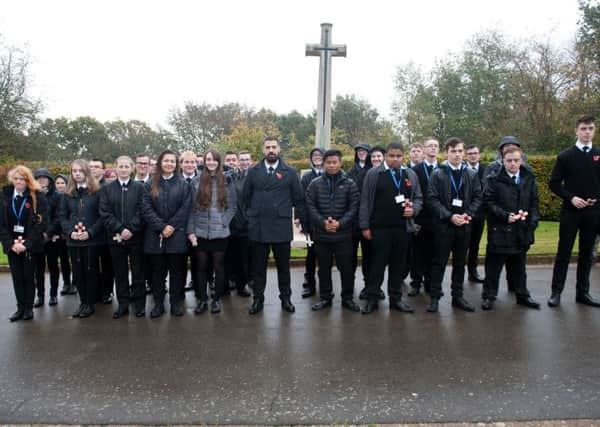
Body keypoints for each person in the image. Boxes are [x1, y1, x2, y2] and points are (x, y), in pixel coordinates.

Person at [242, 136, 307, 315]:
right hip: (259, 226)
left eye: (274, 147)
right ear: (263, 150)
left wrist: (300, 218)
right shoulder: (254, 171)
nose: (271, 150)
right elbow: (245, 198)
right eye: (268, 147)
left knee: (283, 267)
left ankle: (285, 298)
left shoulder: (290, 172)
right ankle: (258, 299)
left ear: (279, 150)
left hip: (280, 225)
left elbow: (299, 198)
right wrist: (252, 215)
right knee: (258, 268)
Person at [359, 142, 423, 314]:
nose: (395, 159)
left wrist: (414, 209)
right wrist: (364, 226)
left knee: (398, 265)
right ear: (386, 156)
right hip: (379, 229)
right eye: (392, 156)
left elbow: (418, 197)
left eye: (399, 156)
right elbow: (365, 201)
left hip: (402, 229)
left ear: (403, 157)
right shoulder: (374, 174)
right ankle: (372, 299)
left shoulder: (410, 174)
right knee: (377, 266)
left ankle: (396, 299)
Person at [548, 115, 600, 308]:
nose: (587, 132)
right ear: (576, 131)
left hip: (593, 213)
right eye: (584, 129)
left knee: (587, 255)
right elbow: (553, 183)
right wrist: (571, 197)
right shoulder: (565, 156)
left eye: (591, 128)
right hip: (571, 212)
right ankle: (556, 292)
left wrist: (597, 198)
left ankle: (583, 293)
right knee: (564, 252)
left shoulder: (598, 155)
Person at [426, 137, 483, 313]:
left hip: (464, 226)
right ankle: (434, 297)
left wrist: (468, 214)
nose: (457, 154)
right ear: (447, 153)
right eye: (453, 151)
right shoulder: (438, 174)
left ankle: (457, 297)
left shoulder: (471, 174)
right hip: (444, 226)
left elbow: (478, 197)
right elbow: (432, 199)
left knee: (460, 263)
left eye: (460, 151)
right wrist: (450, 216)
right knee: (439, 262)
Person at [481, 145, 540, 310]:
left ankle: (522, 295)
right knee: (493, 268)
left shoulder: (529, 178)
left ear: (521, 160)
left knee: (519, 267)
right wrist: (505, 215)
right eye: (509, 161)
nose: (513, 164)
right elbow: (488, 203)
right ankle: (489, 296)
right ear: (503, 161)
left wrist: (533, 222)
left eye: (516, 160)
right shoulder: (493, 179)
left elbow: (534, 203)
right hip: (499, 230)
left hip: (521, 230)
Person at [305, 149, 361, 312]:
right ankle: (325, 298)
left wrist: (340, 223)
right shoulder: (314, 184)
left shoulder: (350, 184)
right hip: (322, 236)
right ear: (323, 164)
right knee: (323, 269)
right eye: (328, 162)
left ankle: (348, 298)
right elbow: (310, 206)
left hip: (343, 235)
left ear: (340, 163)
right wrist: (323, 223)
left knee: (347, 269)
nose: (331, 165)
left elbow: (354, 207)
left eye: (334, 162)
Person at [141, 150, 192, 317]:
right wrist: (161, 227)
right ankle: (158, 304)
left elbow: (185, 208)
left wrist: (170, 226)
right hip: (155, 236)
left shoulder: (183, 184)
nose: (169, 163)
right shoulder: (149, 184)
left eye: (172, 161)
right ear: (160, 163)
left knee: (177, 272)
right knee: (157, 273)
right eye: (166, 161)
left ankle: (176, 303)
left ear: (176, 164)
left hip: (176, 235)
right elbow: (146, 208)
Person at [187, 150, 237, 314]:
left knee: (219, 266)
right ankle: (202, 299)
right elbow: (192, 209)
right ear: (204, 161)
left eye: (214, 159)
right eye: (208, 159)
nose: (211, 162)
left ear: (218, 161)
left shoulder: (227, 181)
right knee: (201, 267)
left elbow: (232, 207)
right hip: (201, 232)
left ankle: (216, 300)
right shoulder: (196, 181)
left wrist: (223, 222)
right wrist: (192, 230)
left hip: (220, 233)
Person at [99, 156, 146, 318]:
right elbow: (105, 212)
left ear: (132, 168)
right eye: (121, 166)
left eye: (127, 166)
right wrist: (120, 229)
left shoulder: (140, 188)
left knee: (138, 272)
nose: (124, 169)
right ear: (116, 168)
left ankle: (140, 305)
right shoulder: (106, 189)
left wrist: (131, 229)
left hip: (136, 237)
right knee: (120, 273)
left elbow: (143, 210)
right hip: (115, 237)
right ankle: (123, 305)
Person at [0, 165, 47, 322]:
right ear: (12, 180)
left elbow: (40, 223)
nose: (19, 181)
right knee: (17, 277)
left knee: (28, 276)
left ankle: (28, 308)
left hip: (29, 245)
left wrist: (26, 244)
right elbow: (1, 224)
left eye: (22, 179)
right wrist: (10, 243)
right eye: (16, 178)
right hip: (12, 244)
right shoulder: (5, 196)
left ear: (28, 180)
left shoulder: (36, 197)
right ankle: (19, 307)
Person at [59, 159, 104, 318]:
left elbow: (102, 216)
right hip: (73, 240)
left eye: (80, 170)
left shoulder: (97, 192)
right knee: (78, 273)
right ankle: (83, 302)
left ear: (86, 172)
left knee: (90, 271)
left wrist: (90, 232)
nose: (77, 173)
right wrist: (70, 232)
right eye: (74, 171)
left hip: (91, 240)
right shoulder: (67, 194)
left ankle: (90, 304)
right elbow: (63, 216)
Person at [409, 137, 440, 296]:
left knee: (434, 253)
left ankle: (430, 282)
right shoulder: (416, 170)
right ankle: (415, 283)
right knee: (417, 253)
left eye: (436, 146)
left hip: (438, 219)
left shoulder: (443, 169)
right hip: (420, 219)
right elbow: (412, 195)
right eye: (430, 146)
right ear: (424, 150)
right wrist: (413, 220)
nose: (433, 148)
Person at [348, 142, 376, 300]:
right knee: (350, 256)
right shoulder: (351, 171)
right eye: (359, 151)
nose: (361, 153)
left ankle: (369, 286)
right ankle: (349, 285)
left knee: (369, 256)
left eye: (364, 151)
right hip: (353, 221)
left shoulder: (373, 171)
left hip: (369, 221)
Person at [33, 168, 63, 307]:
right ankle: (40, 296)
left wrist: (49, 233)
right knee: (38, 269)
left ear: (49, 180)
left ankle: (53, 295)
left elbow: (58, 217)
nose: (42, 180)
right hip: (36, 238)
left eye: (44, 178)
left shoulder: (56, 196)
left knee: (53, 267)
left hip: (51, 238)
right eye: (39, 178)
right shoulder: (31, 195)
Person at [299, 147, 324, 298]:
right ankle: (310, 284)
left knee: (325, 256)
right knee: (311, 255)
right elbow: (302, 201)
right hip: (311, 223)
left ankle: (325, 285)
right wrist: (304, 223)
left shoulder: (330, 174)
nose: (317, 157)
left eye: (319, 155)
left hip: (326, 222)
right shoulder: (306, 177)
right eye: (314, 155)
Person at [89, 158, 114, 304]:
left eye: (97, 166)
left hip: (106, 232)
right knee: (91, 265)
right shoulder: (85, 187)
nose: (93, 169)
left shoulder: (109, 186)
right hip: (90, 233)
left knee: (107, 265)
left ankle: (107, 292)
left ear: (103, 170)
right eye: (91, 166)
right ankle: (95, 291)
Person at [464, 144, 487, 283]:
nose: (473, 155)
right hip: (465, 213)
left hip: (480, 214)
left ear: (479, 155)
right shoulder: (462, 170)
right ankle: (459, 272)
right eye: (470, 153)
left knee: (475, 245)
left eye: (475, 153)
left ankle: (473, 272)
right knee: (462, 245)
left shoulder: (486, 170)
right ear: (467, 155)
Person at [54, 174, 75, 296]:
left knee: (74, 259)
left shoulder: (69, 196)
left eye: (62, 183)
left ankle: (75, 282)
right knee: (63, 260)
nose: (60, 185)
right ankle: (66, 282)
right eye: (58, 183)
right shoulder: (54, 197)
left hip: (71, 233)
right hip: (59, 235)